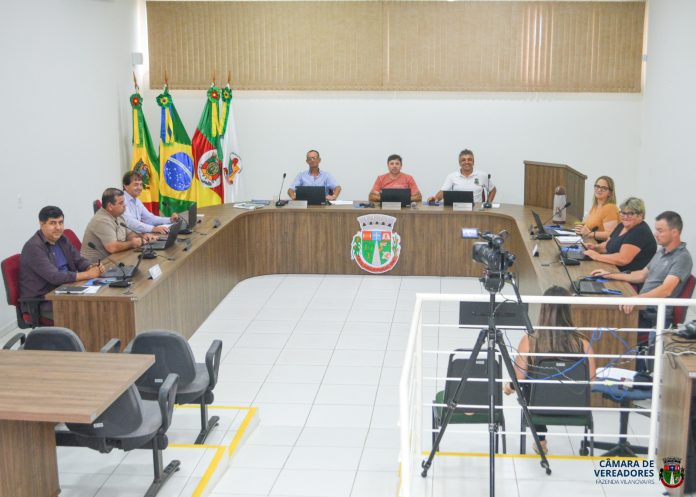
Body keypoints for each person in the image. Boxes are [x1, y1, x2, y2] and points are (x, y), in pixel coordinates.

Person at [504, 286, 597, 454]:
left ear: (544, 310)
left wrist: (510, 386)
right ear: (568, 310)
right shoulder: (582, 342)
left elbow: (519, 379)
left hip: (540, 408)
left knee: (528, 384)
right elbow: (591, 381)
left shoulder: (530, 341)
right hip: (574, 407)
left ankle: (540, 439)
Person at [591, 211, 693, 329]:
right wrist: (609, 275)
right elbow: (641, 275)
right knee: (599, 314)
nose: (655, 234)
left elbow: (666, 290)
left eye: (660, 231)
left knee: (601, 321)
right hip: (642, 308)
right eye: (656, 230)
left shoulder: (682, 258)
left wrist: (637, 300)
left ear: (674, 232)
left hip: (654, 316)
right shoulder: (662, 251)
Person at [19, 206, 104, 320]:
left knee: (101, 302)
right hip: (45, 301)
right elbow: (54, 277)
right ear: (42, 224)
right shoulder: (34, 247)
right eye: (53, 223)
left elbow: (78, 260)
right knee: (90, 313)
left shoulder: (62, 239)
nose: (58, 227)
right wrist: (88, 274)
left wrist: (90, 266)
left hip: (66, 291)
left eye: (60, 222)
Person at [81, 188, 156, 262]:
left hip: (115, 259)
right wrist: (132, 244)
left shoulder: (118, 215)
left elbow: (128, 235)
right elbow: (112, 248)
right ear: (110, 206)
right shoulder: (102, 220)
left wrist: (142, 236)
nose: (124, 205)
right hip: (96, 265)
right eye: (121, 203)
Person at [583, 197, 657, 272]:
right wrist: (595, 247)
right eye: (623, 213)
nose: (625, 217)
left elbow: (623, 259)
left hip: (626, 276)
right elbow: (608, 245)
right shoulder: (621, 225)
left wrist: (597, 256)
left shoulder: (640, 231)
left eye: (630, 214)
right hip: (611, 268)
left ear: (640, 215)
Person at [427, 149, 496, 204]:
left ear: (473, 162)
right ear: (459, 163)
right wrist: (435, 198)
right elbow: (443, 192)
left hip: (477, 212)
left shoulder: (482, 175)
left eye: (469, 159)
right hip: (458, 211)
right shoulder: (452, 176)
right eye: (463, 160)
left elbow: (493, 190)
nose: (466, 162)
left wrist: (488, 203)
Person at [574, 176, 619, 241]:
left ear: (610, 193)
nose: (599, 190)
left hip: (601, 245)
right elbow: (586, 225)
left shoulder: (610, 208)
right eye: (597, 186)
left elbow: (611, 234)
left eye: (603, 188)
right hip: (589, 241)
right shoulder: (595, 206)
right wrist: (580, 229)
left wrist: (590, 234)